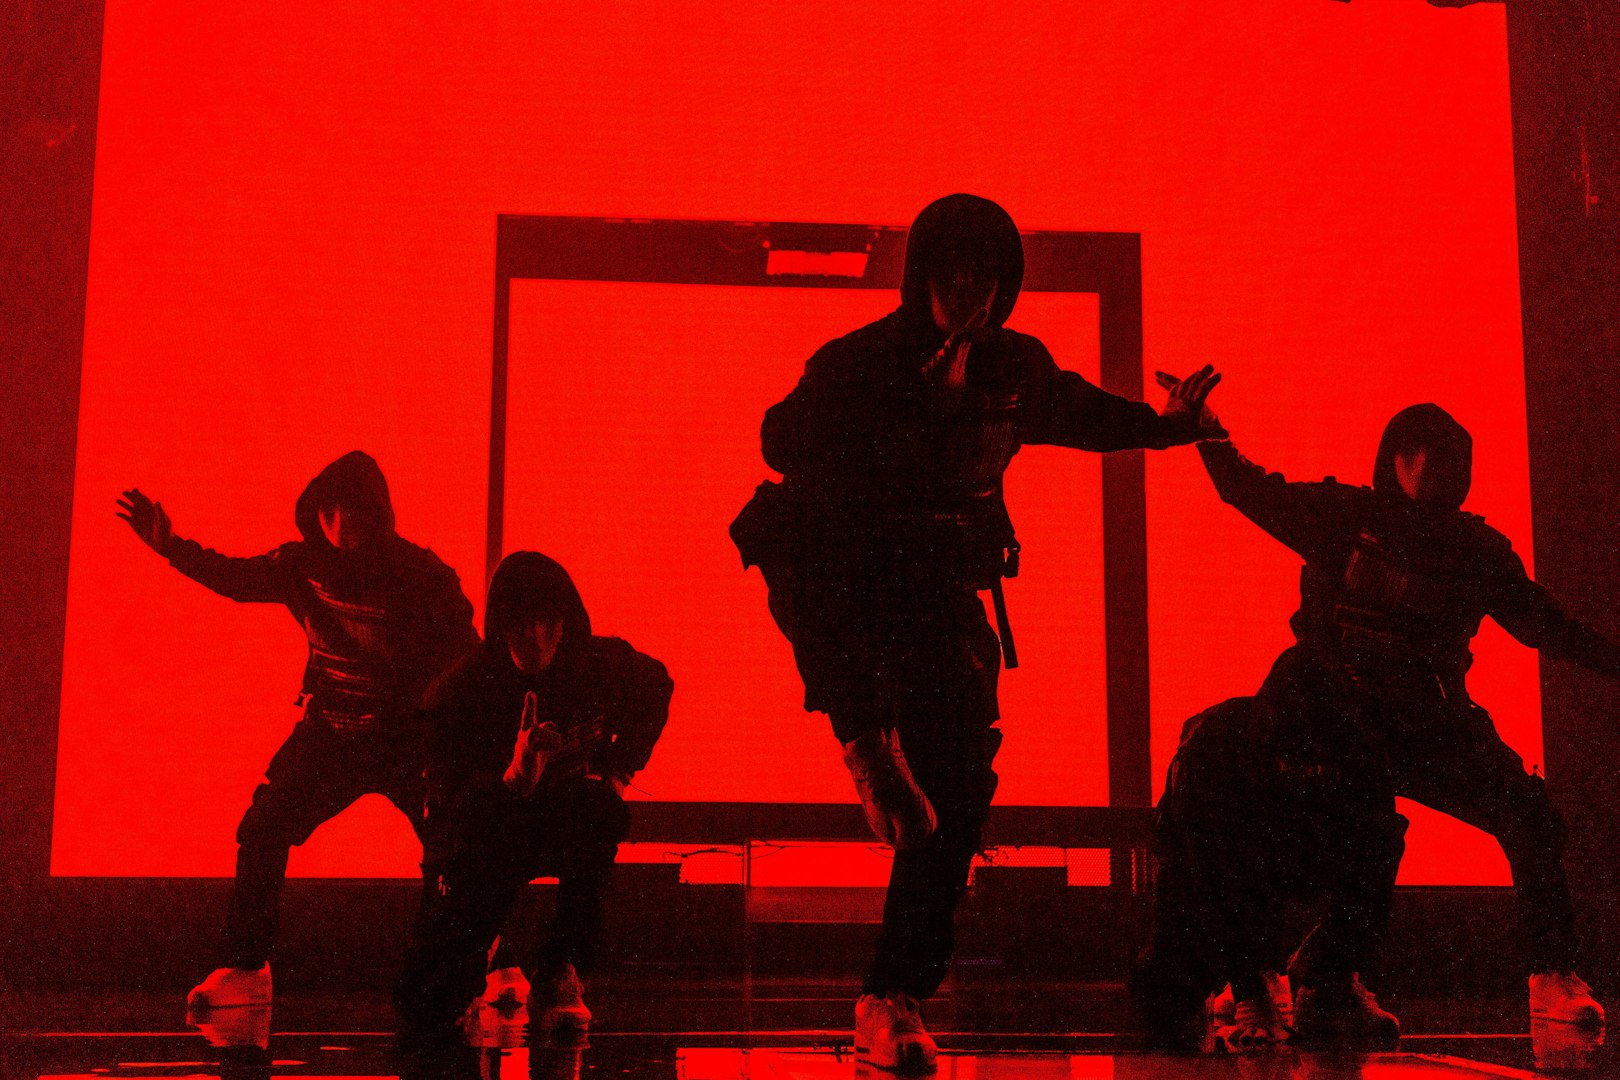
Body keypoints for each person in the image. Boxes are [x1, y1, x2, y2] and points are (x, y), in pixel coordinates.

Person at [732, 194, 1224, 1072]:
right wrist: (900, 404)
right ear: (923, 277)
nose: (970, 293)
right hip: (846, 572)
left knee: (955, 796)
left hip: (944, 595)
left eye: (987, 278)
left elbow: (1080, 412)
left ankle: (893, 995)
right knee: (813, 570)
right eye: (952, 275)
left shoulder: (1014, 368)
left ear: (1006, 287)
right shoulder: (864, 359)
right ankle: (864, 738)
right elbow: (779, 438)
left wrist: (1169, 426)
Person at [1167, 387, 1620, 1033]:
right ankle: (1282, 975)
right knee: (1328, 838)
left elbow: (1545, 624)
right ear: (1395, 458)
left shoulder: (1476, 549)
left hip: (1430, 723)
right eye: (1424, 454)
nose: (1442, 470)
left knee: (1530, 816)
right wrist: (1209, 435)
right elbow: (1248, 490)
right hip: (1332, 720)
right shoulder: (1341, 516)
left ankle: (1552, 976)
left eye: (1455, 459)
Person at [116, 451, 479, 1009]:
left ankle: (481, 967)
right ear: (316, 514)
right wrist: (171, 546)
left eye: (355, 511)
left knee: (459, 848)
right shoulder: (301, 564)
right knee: (263, 827)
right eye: (330, 511)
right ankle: (245, 968)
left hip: (411, 740)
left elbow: (468, 658)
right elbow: (235, 577)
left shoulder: (423, 575)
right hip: (332, 732)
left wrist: (458, 728)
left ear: (379, 513)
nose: (343, 524)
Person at [394, 551, 672, 1038]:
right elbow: (447, 809)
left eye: (548, 623)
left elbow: (658, 686)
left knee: (600, 813)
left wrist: (618, 768)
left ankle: (559, 966)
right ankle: (479, 949)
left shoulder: (602, 665)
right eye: (521, 625)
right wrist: (513, 780)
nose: (536, 639)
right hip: (487, 837)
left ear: (566, 624)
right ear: (501, 628)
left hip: (567, 818)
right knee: (424, 1002)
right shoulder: (462, 693)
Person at [1134, 694, 1406, 1053]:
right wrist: (1250, 991)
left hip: (1295, 839)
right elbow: (1210, 875)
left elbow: (1381, 842)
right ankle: (1235, 984)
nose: (1307, 772)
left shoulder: (1356, 745)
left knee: (1378, 842)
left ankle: (1328, 984)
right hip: (1205, 855)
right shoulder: (1211, 752)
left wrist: (1336, 957)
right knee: (1165, 994)